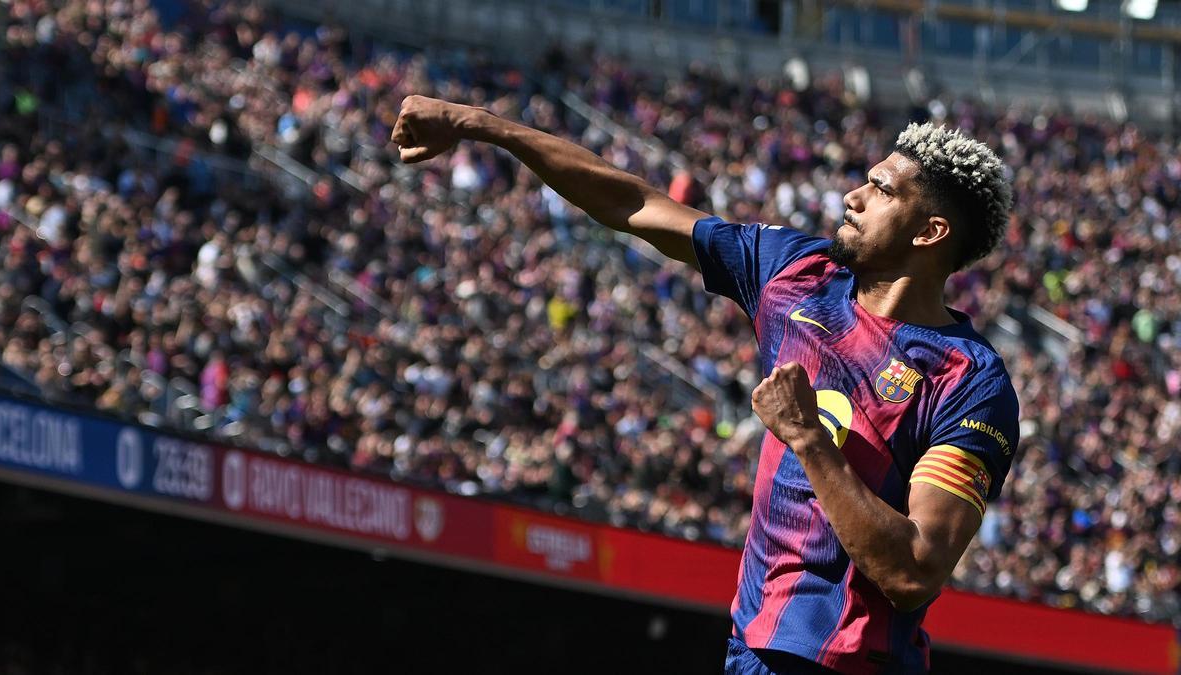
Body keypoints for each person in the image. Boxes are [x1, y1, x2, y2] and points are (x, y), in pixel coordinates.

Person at [391, 95, 1020, 674]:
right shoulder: (797, 274)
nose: (852, 196)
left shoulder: (968, 379)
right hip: (751, 649)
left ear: (930, 232)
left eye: (880, 190)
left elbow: (913, 571)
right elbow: (632, 204)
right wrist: (482, 126)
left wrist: (807, 438)